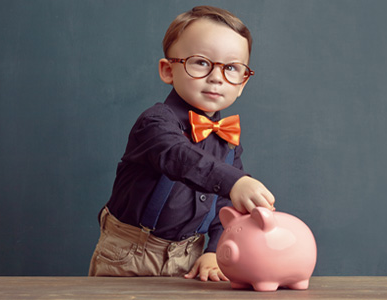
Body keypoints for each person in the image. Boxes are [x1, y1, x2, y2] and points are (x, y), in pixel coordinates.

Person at [88, 6, 275, 282]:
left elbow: (225, 204)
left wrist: (214, 250)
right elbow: (179, 156)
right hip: (130, 254)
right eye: (201, 62)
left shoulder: (227, 140)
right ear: (167, 70)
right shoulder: (154, 123)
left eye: (232, 68)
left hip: (191, 257)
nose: (216, 77)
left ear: (242, 83)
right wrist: (235, 181)